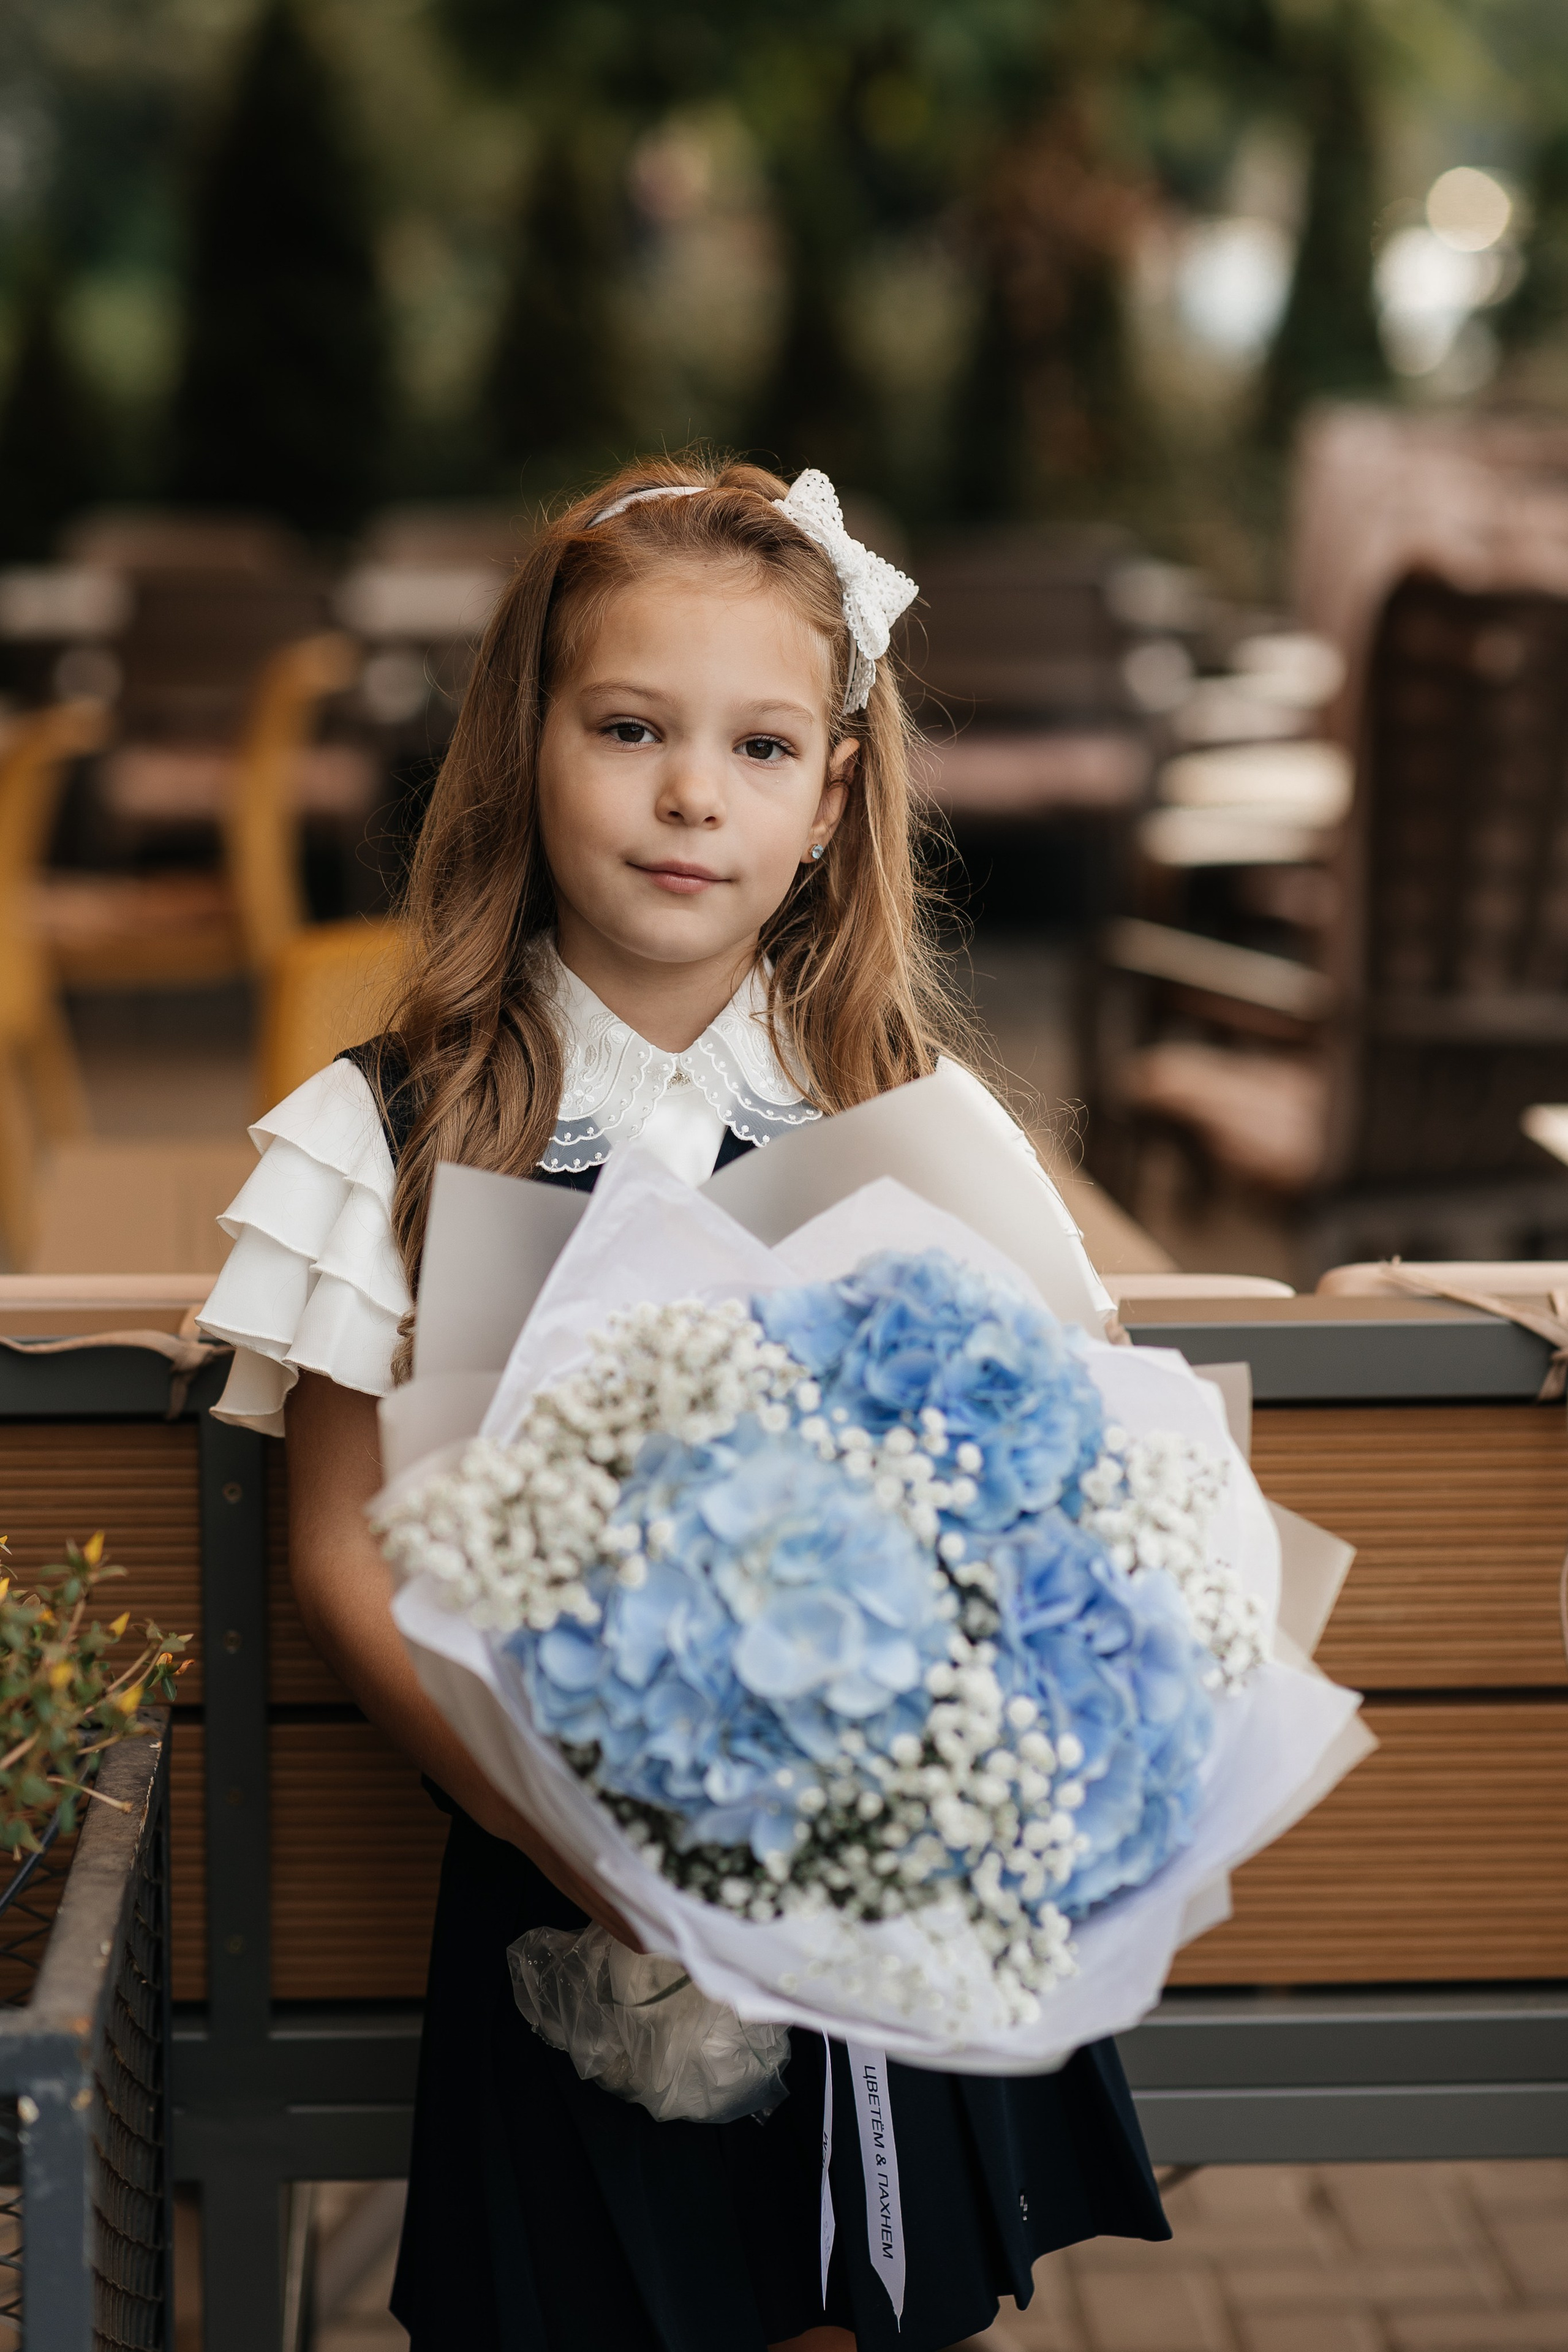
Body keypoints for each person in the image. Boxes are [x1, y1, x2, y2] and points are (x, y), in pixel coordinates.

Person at [198, 456, 1170, 2352]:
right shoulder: (387, 1132)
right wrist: (595, 1844)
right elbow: (337, 1549)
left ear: (830, 804)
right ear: (526, 750)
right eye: (630, 726)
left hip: (872, 1922)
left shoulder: (905, 1130)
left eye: (758, 746)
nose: (686, 795)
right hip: (564, 1898)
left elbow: (1054, 1501)